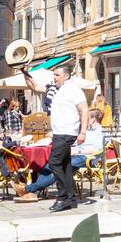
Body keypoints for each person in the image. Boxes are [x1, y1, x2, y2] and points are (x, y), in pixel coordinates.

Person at [22, 64, 87, 212]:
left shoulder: (73, 89)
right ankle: (71, 199)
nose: (54, 78)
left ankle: (62, 197)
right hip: (58, 134)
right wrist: (24, 72)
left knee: (54, 162)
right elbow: (34, 87)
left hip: (68, 132)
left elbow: (84, 110)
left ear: (66, 76)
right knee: (65, 165)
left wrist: (83, 132)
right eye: (54, 75)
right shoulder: (56, 89)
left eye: (57, 75)